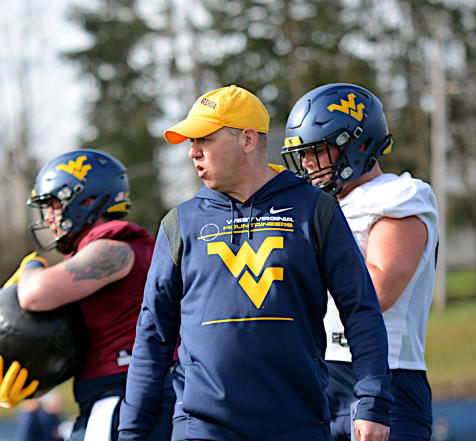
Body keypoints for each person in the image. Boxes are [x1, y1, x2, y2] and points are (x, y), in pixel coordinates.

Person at [117, 84, 392, 441]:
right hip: (201, 428)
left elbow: (361, 309)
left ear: (247, 140)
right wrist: (131, 432)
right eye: (190, 142)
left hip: (297, 424)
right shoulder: (179, 223)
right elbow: (153, 335)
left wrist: (373, 400)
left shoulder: (315, 209)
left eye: (204, 139)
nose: (193, 152)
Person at [0, 149, 174, 441]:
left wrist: (31, 265)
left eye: (54, 204)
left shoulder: (114, 248)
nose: (49, 217)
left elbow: (33, 294)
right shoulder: (109, 249)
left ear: (89, 199)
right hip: (123, 394)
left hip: (125, 398)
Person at [281, 83, 439, 441]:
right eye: (302, 153)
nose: (307, 163)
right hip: (319, 376)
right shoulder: (323, 206)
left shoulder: (399, 196)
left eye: (317, 151)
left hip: (388, 377)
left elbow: (377, 290)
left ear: (357, 144)